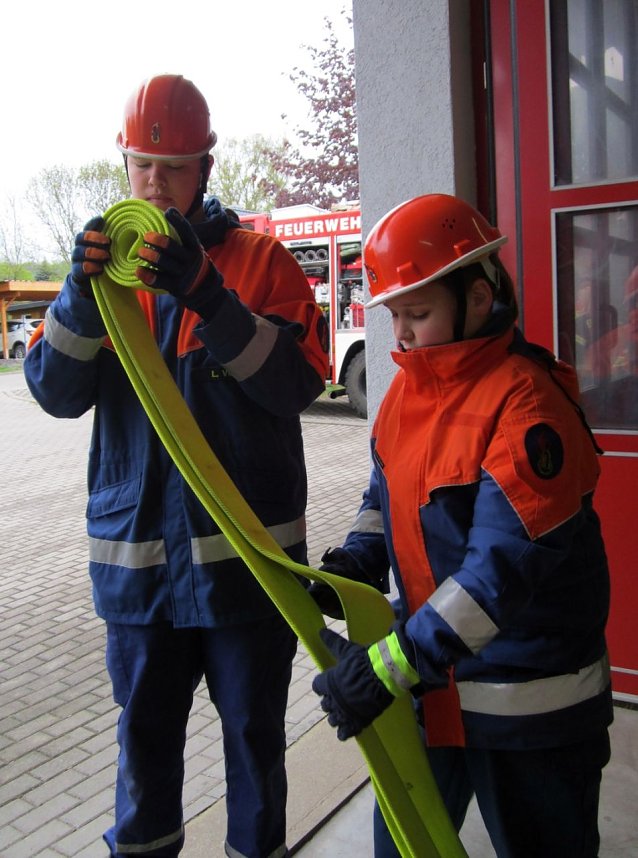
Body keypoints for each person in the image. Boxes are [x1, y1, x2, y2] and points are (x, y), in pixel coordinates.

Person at [24, 74, 329, 858]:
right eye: (142, 167)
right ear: (122, 165)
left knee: (255, 753)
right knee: (143, 760)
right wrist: (80, 300)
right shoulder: (103, 279)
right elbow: (55, 394)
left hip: (248, 577)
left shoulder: (261, 263)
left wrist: (208, 295)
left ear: (206, 167)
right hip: (141, 577)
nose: (154, 184)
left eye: (174, 167)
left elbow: (296, 383)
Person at [311, 194, 613, 858]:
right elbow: (384, 492)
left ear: (478, 298)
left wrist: (382, 670)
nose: (403, 336)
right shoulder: (407, 395)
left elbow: (493, 580)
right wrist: (354, 563)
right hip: (435, 686)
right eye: (394, 316)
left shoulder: (528, 406)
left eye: (417, 313)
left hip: (530, 716)